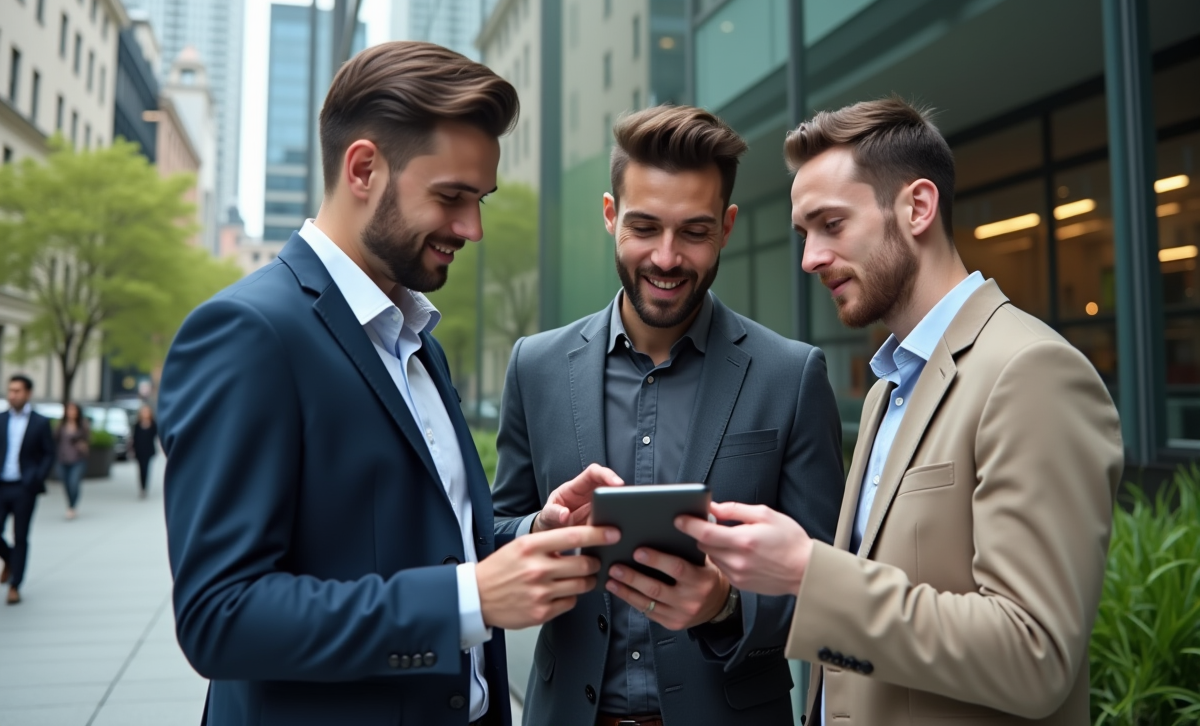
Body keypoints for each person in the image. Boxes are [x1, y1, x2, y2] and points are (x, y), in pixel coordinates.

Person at [158, 41, 618, 726]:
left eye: (480, 199)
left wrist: (526, 534)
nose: (475, 228)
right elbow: (221, 617)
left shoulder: (414, 338)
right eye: (452, 197)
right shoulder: (247, 334)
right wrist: (471, 599)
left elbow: (412, 538)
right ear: (364, 168)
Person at [676, 97, 1124, 725]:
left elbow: (1035, 656)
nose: (809, 259)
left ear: (917, 207)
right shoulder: (889, 385)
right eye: (805, 235)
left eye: (831, 224)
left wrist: (808, 571)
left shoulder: (1032, 372)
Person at [492, 105, 845, 726]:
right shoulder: (535, 367)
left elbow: (831, 586)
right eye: (644, 227)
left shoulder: (792, 376)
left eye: (694, 232)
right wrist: (537, 532)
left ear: (728, 227)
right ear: (610, 216)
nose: (666, 257)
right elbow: (489, 535)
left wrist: (727, 605)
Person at [0, 374, 56, 604]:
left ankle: (15, 585)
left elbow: (48, 454)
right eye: (10, 390)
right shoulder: (1, 419)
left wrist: (36, 478)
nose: (13, 394)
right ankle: (11, 559)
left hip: (25, 487)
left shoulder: (40, 422)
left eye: (18, 391)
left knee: (20, 536)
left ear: (28, 393)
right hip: (1, 485)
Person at [55, 401, 91, 519]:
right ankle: (70, 504)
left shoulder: (82, 425)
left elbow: (88, 441)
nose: (71, 412)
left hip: (78, 459)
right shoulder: (61, 425)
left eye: (73, 410)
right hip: (63, 459)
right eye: (69, 410)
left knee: (73, 483)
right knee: (66, 484)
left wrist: (83, 446)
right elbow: (54, 440)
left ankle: (72, 506)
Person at [129, 405, 158, 498]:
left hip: (148, 450)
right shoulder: (137, 424)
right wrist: (132, 450)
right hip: (139, 450)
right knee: (141, 469)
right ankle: (142, 488)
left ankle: (145, 488)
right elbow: (134, 438)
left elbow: (157, 437)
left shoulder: (153, 424)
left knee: (146, 469)